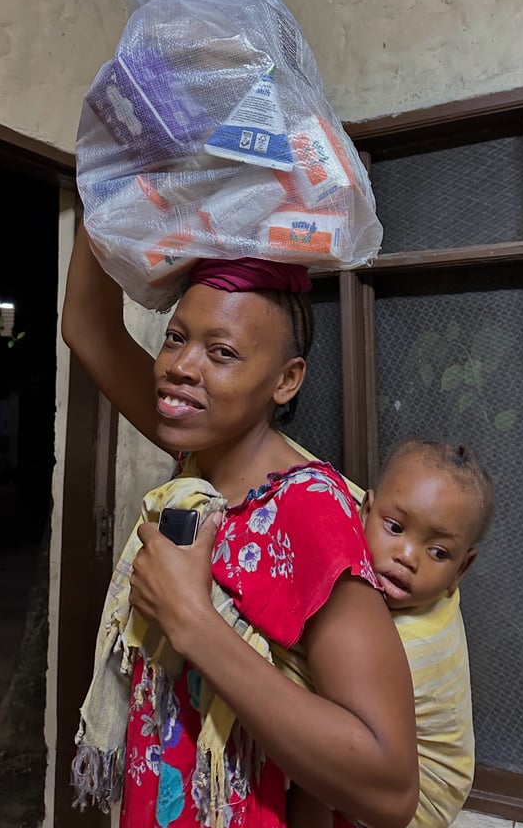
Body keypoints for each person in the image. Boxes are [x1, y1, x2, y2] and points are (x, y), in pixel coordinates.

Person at [61, 222, 418, 828]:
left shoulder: (308, 510)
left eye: (221, 352)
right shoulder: (201, 460)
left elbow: (388, 788)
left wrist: (191, 622)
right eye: (175, 338)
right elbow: (88, 329)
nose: (180, 366)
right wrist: (107, 173)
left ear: (286, 381)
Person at [287, 440, 495, 828]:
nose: (407, 556)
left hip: (417, 803)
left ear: (461, 570)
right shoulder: (418, 586)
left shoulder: (414, 645)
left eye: (437, 553)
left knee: (311, 754)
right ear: (364, 510)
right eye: (395, 528)